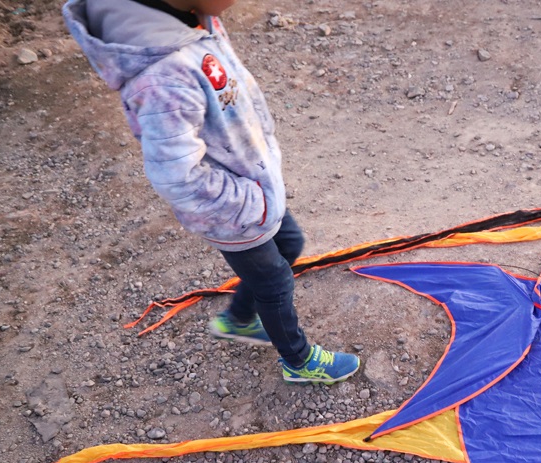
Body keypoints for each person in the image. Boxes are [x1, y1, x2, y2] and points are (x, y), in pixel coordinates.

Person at [62, 0, 359, 384]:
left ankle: (237, 319)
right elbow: (177, 176)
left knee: (290, 244)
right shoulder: (163, 77)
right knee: (275, 281)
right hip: (231, 210)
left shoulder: (195, 19)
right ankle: (299, 362)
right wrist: (250, 201)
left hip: (251, 189)